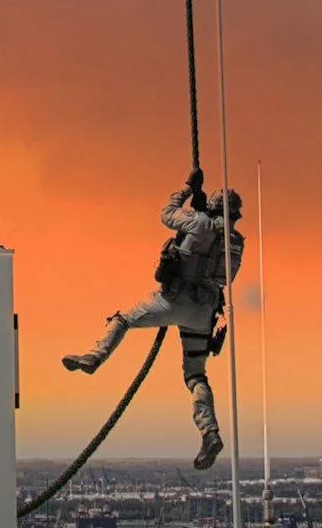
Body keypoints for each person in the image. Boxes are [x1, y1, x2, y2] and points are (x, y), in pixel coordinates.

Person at [63, 169, 244, 470]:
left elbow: (167, 213)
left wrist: (186, 189)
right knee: (195, 374)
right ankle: (209, 431)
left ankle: (94, 358)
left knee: (123, 319)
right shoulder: (237, 242)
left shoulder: (198, 222)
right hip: (204, 311)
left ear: (212, 207)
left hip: (173, 300)